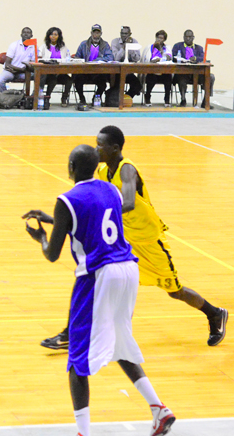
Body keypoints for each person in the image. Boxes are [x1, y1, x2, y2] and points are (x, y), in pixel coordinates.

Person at [23, 144, 176, 436]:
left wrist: (42, 237)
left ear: (70, 167)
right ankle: (159, 409)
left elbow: (52, 254)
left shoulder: (66, 199)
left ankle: (83, 432)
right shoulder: (112, 191)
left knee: (77, 360)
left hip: (98, 276)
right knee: (120, 343)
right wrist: (57, 221)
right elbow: (94, 221)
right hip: (128, 270)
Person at [42, 125, 229, 351]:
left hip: (149, 239)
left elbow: (128, 203)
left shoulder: (127, 169)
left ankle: (215, 314)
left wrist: (99, 212)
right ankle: (72, 334)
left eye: (100, 145)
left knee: (174, 290)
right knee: (98, 279)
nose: (96, 148)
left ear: (115, 148)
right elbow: (91, 206)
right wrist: (59, 219)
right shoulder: (102, 173)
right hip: (126, 240)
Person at [172, 30, 215, 108]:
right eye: (186, 37)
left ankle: (205, 101)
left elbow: (202, 57)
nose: (188, 39)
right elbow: (173, 57)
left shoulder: (199, 48)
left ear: (193, 38)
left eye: (190, 37)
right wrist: (182, 59)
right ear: (183, 37)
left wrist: (195, 58)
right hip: (183, 73)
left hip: (197, 73)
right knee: (180, 78)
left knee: (211, 77)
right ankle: (183, 99)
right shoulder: (177, 46)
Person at [74, 24, 114, 106]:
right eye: (94, 33)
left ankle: (96, 97)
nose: (96, 35)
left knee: (103, 83)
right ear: (91, 33)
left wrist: (98, 60)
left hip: (99, 72)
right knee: (77, 79)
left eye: (98, 33)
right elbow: (77, 57)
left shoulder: (105, 45)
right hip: (85, 71)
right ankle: (82, 98)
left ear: (101, 34)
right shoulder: (83, 44)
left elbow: (110, 57)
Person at [39, 27, 72, 108]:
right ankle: (47, 98)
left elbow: (68, 58)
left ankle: (64, 97)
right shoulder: (43, 47)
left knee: (69, 80)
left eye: (55, 35)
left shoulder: (63, 47)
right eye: (51, 34)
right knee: (53, 80)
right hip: (48, 74)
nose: (53, 36)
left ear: (59, 36)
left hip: (61, 72)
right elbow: (39, 59)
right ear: (48, 36)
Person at [0, 27, 35, 93]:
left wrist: (21, 70)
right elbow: (7, 64)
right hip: (10, 71)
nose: (26, 34)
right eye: (24, 32)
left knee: (39, 77)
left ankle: (32, 98)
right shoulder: (14, 45)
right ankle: (6, 97)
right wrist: (21, 69)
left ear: (31, 36)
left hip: (23, 73)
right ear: (21, 35)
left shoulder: (34, 47)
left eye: (28, 33)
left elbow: (33, 64)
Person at [109, 26, 142, 105]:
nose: (124, 36)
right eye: (122, 33)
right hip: (117, 71)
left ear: (130, 34)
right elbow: (116, 58)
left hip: (129, 71)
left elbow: (137, 58)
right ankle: (116, 101)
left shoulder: (134, 41)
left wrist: (130, 48)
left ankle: (126, 98)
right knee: (117, 85)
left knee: (137, 86)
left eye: (126, 34)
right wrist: (123, 48)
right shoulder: (115, 42)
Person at [141, 30, 173, 108]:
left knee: (168, 78)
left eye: (161, 38)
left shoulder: (167, 47)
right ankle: (147, 97)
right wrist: (152, 61)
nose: (159, 39)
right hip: (153, 71)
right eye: (158, 37)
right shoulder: (149, 47)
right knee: (150, 77)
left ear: (164, 39)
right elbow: (144, 60)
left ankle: (167, 99)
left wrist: (160, 50)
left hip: (164, 72)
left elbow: (169, 58)